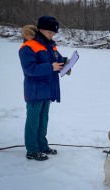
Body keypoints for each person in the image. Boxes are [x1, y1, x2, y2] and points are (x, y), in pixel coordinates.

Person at [19, 16, 70, 161]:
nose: (51, 36)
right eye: (49, 33)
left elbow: (57, 59)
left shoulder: (50, 45)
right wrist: (50, 67)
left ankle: (42, 146)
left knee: (43, 120)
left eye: (53, 34)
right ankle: (32, 150)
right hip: (35, 91)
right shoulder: (28, 46)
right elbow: (29, 69)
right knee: (33, 122)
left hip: (47, 90)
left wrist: (66, 63)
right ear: (40, 30)